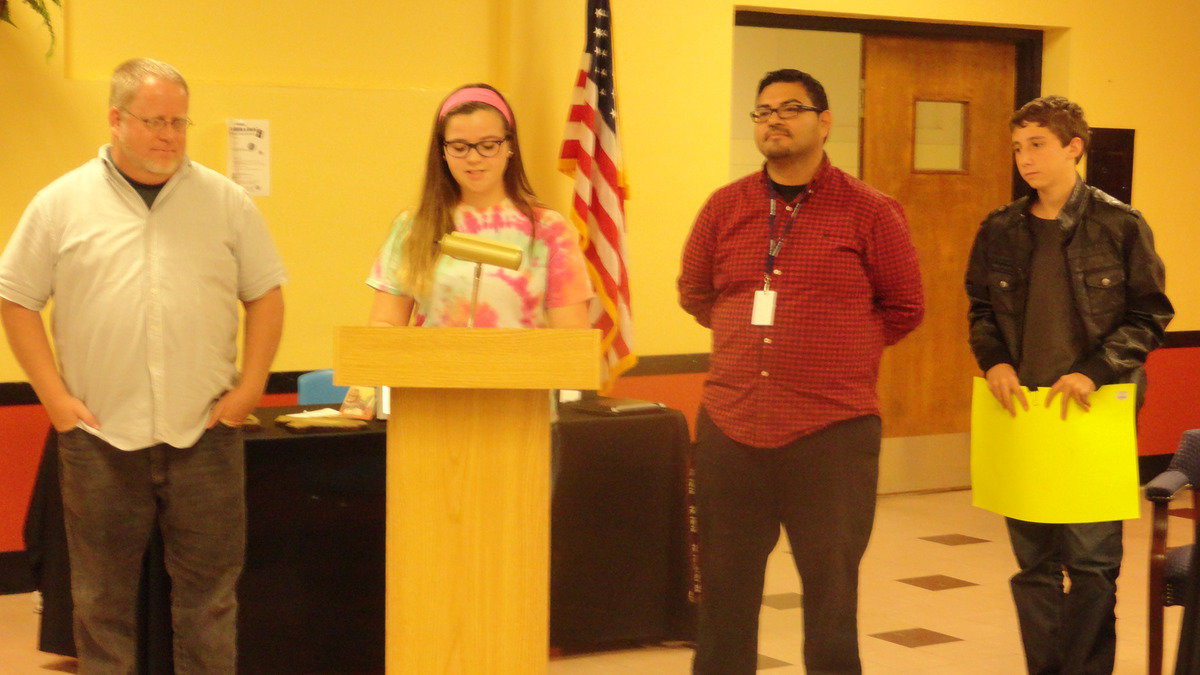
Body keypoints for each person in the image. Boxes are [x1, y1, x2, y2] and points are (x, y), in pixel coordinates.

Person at [0, 58, 286, 672]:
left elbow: (266, 293)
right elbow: (16, 298)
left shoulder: (225, 202)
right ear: (115, 119)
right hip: (100, 436)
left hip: (207, 433)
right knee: (100, 605)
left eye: (180, 122)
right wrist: (52, 398)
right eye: (155, 121)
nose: (170, 136)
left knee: (209, 603)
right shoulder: (61, 203)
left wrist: (252, 386)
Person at [678, 68, 924, 674]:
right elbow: (695, 293)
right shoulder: (724, 206)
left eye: (790, 108)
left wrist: (839, 352)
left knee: (831, 599)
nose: (774, 121)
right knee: (724, 600)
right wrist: (754, 342)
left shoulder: (871, 211)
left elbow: (905, 306)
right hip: (731, 429)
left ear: (824, 120)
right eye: (762, 112)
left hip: (830, 435)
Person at [966, 95, 1172, 674]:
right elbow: (981, 310)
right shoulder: (1000, 229)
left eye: (1036, 144)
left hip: (1093, 411)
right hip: (1023, 413)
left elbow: (1150, 315)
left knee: (1090, 562)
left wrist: (1094, 370)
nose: (1024, 159)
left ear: (1073, 147)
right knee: (1032, 563)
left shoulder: (1119, 224)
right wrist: (994, 361)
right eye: (1017, 147)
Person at [366, 83, 591, 331]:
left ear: (509, 146)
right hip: (435, 367)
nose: (473, 158)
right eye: (459, 147)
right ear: (442, 151)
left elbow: (572, 337)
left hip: (519, 367)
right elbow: (385, 323)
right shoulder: (414, 226)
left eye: (488, 146)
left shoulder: (549, 230)